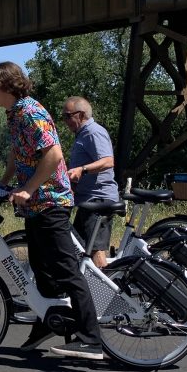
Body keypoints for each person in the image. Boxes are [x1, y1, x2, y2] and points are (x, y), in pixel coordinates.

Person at [0, 61, 104, 360]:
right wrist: (4, 182)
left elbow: (53, 155)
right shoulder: (14, 114)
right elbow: (18, 152)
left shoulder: (31, 112)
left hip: (51, 201)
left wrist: (29, 188)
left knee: (66, 271)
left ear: (6, 86)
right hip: (36, 204)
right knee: (42, 270)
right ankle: (46, 323)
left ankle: (91, 338)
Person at [63, 96, 119, 268]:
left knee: (95, 250)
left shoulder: (94, 132)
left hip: (98, 200)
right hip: (87, 201)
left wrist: (82, 169)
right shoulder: (84, 134)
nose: (65, 121)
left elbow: (108, 161)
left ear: (79, 115)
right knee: (80, 249)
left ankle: (109, 291)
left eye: (67, 116)